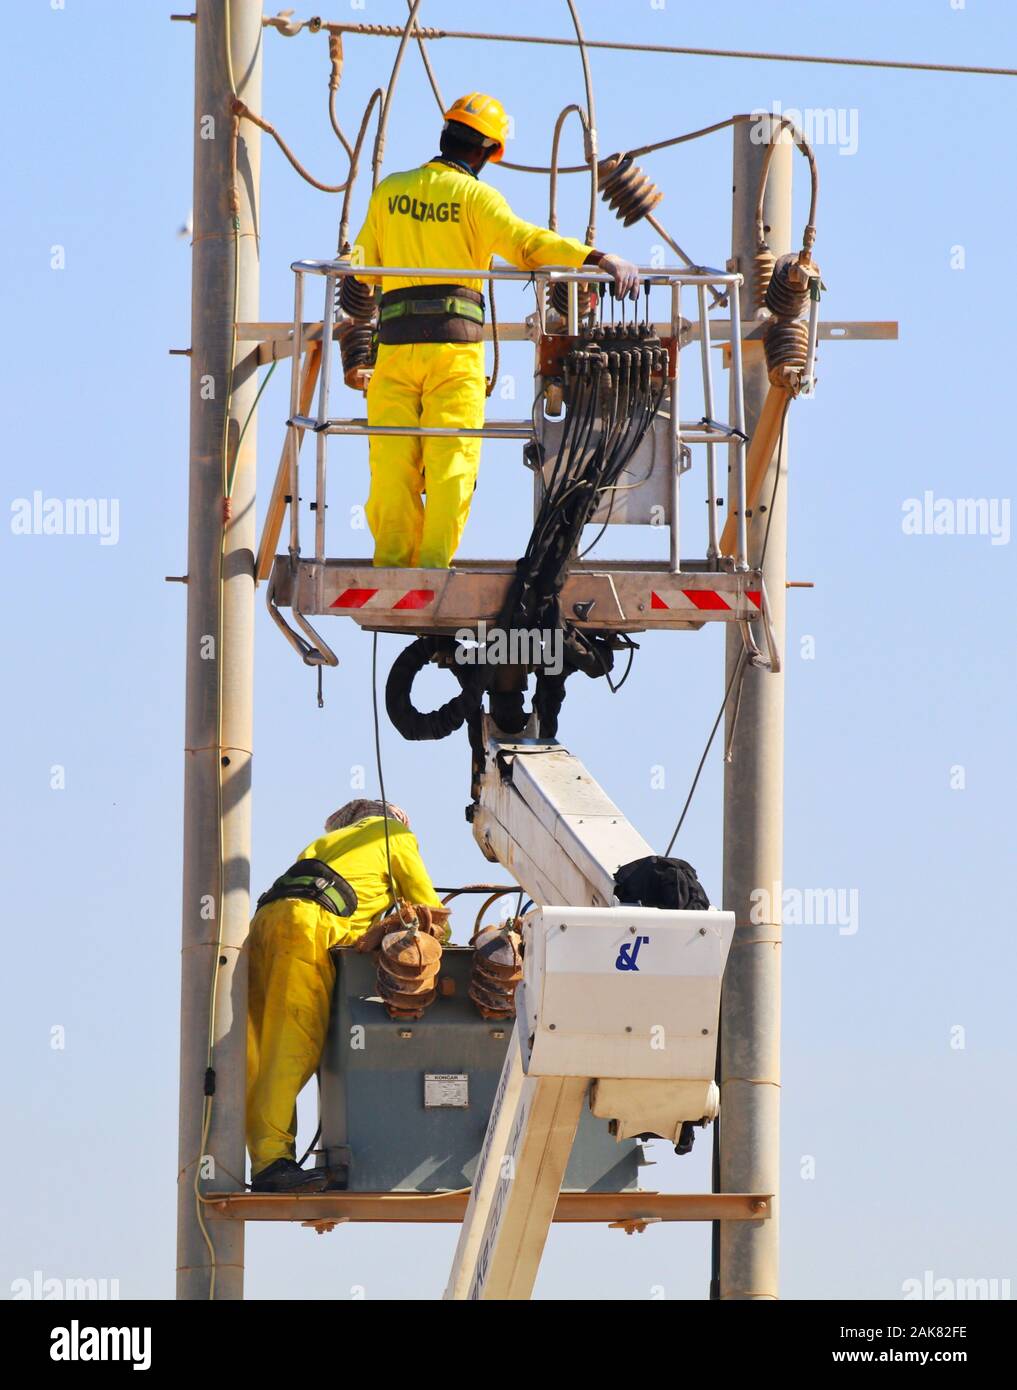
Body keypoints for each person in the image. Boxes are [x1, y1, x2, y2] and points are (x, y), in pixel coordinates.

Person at [349, 91, 639, 569]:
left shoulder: (389, 191)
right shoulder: (476, 197)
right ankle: (433, 569)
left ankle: (392, 568)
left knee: (391, 464)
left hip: (395, 351)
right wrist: (596, 258)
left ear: (445, 134)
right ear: (487, 151)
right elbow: (526, 244)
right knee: (452, 466)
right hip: (453, 353)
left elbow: (362, 269)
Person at [246, 798, 445, 1192]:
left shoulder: (329, 845)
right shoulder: (395, 834)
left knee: (257, 1047)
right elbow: (430, 912)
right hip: (307, 926)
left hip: (266, 924)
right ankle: (271, 1164)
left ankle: (264, 1156)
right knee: (292, 1043)